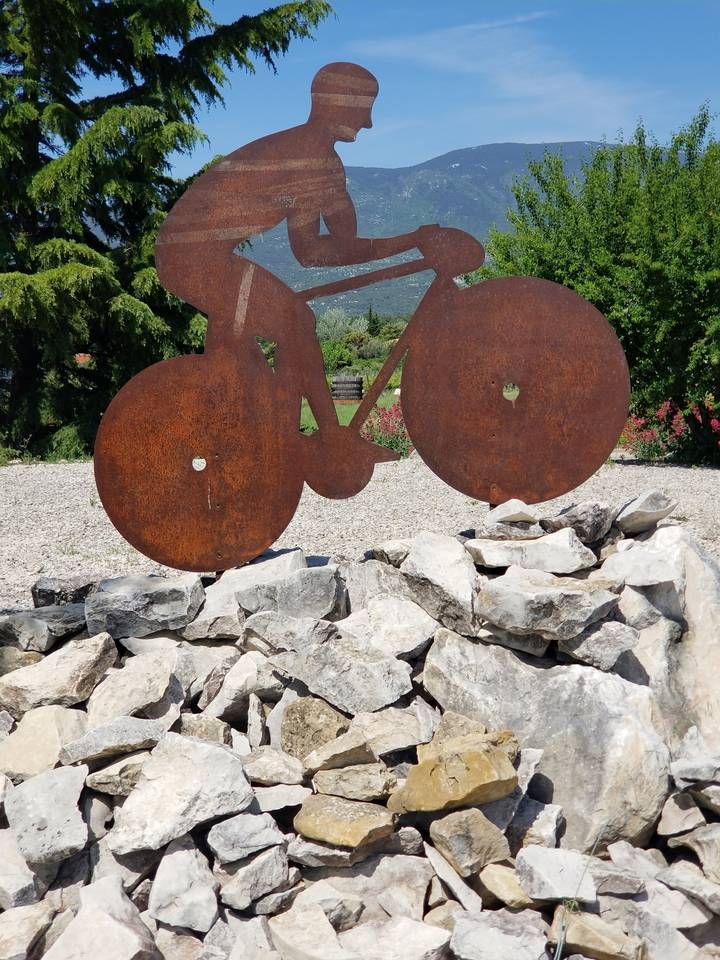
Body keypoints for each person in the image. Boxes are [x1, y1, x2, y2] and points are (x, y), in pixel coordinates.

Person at [155, 62, 435, 468]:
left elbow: (333, 243)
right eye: (365, 108)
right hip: (192, 255)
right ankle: (319, 444)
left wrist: (353, 208)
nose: (370, 123)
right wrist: (411, 240)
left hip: (195, 252)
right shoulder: (307, 156)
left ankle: (285, 443)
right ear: (338, 103)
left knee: (262, 349)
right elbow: (314, 254)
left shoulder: (315, 157)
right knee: (296, 323)